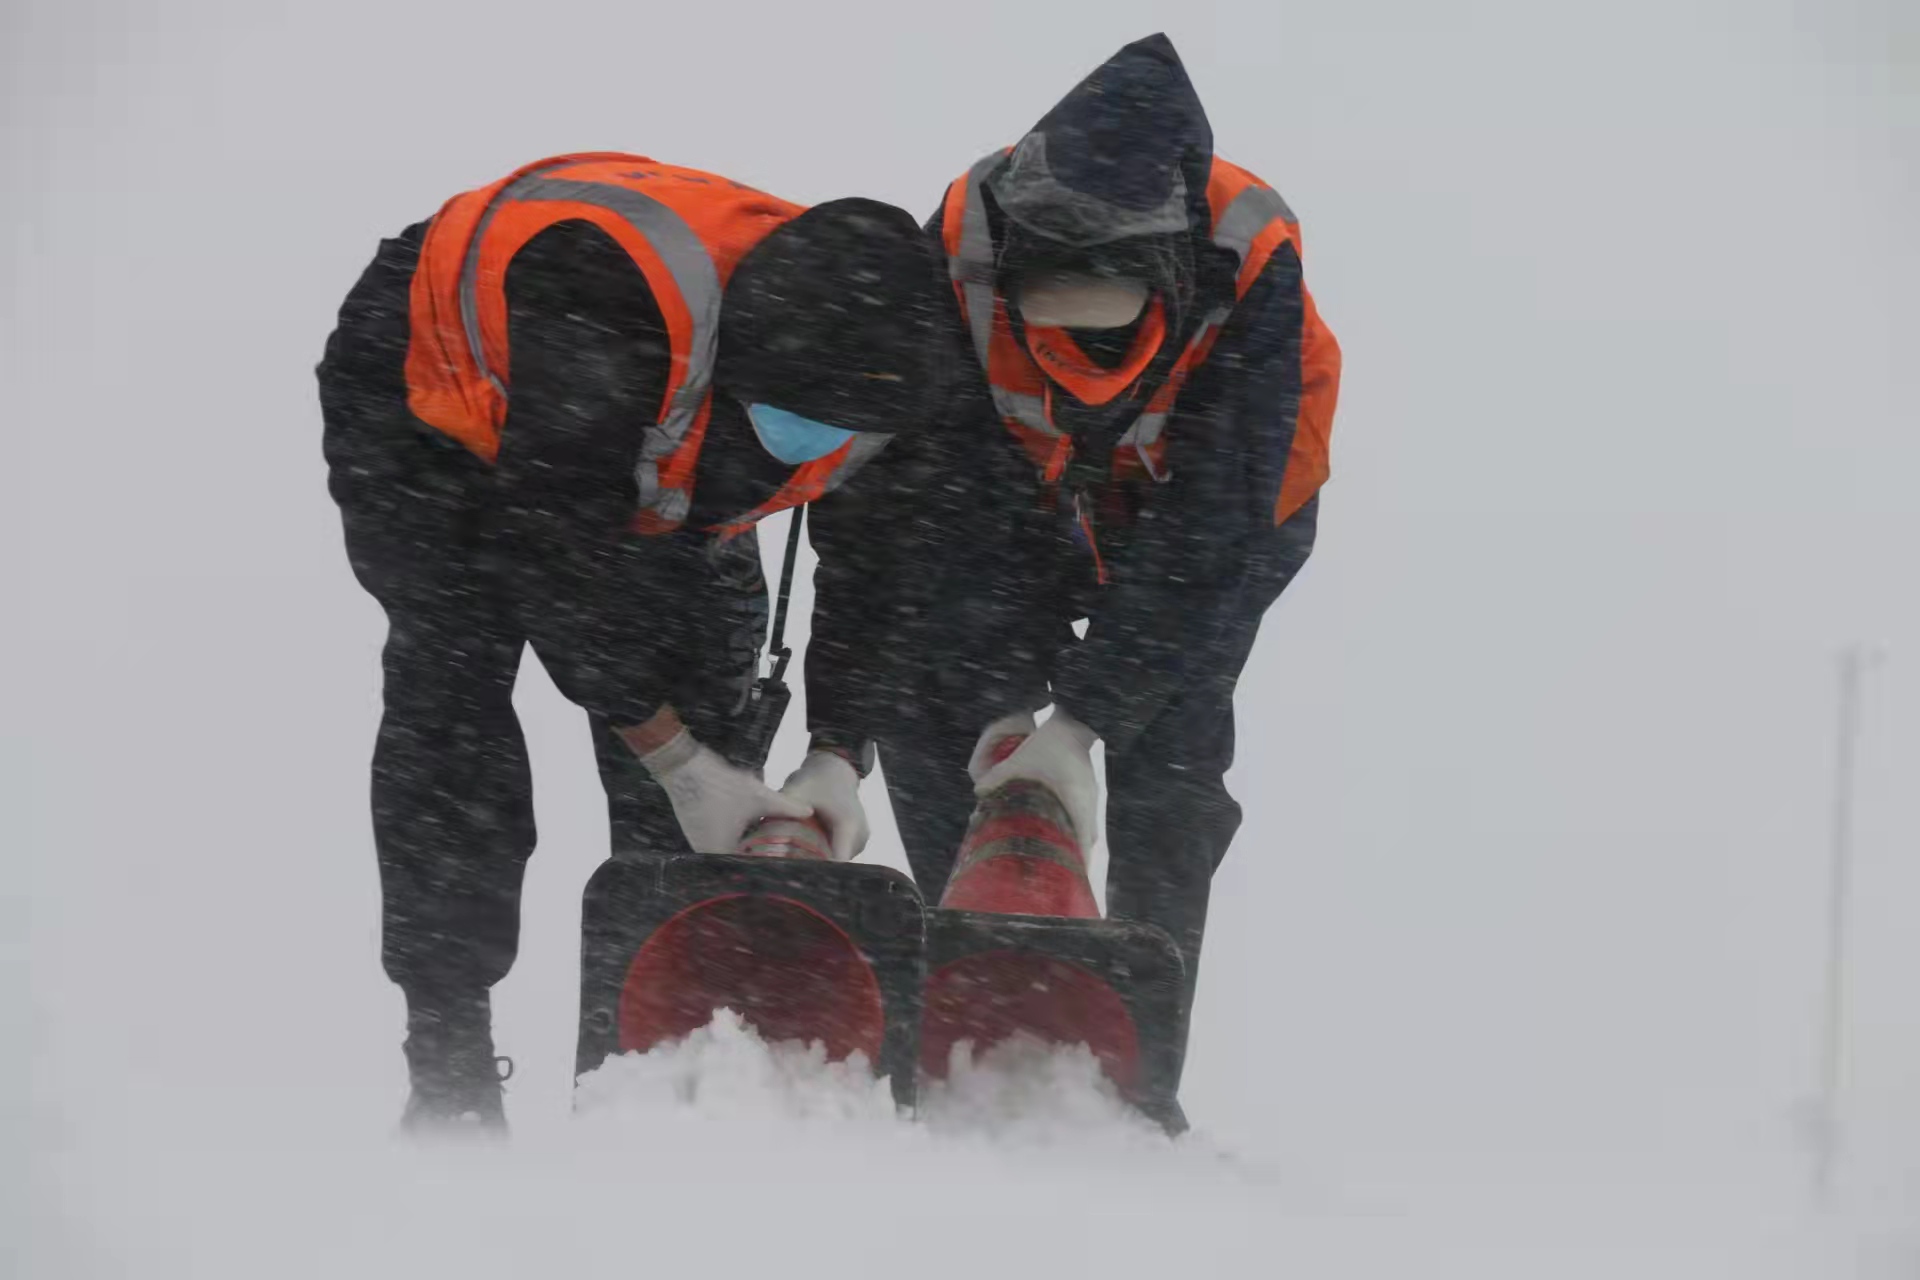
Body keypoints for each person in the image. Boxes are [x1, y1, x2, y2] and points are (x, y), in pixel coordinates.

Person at [317, 153, 957, 1130]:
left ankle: (672, 1045)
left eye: (842, 432)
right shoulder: (604, 304)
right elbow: (561, 558)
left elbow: (879, 579)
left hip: (629, 433)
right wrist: (675, 756)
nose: (815, 445)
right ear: (747, 350)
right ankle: (447, 1049)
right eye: (793, 417)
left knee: (698, 702)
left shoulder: (900, 369)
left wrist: (838, 749)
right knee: (455, 693)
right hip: (427, 394)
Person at [863, 34, 1342, 1100]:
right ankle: (958, 1015)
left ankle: (1136, 1070)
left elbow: (1215, 534)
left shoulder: (1249, 253)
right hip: (1021, 503)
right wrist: (1000, 707)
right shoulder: (955, 248)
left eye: (1100, 345)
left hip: (1215, 516)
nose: (1078, 371)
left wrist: (1080, 724)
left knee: (1171, 755)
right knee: (927, 703)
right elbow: (945, 511)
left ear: (1163, 274)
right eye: (1052, 336)